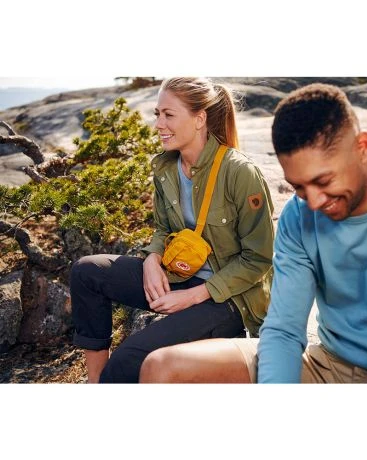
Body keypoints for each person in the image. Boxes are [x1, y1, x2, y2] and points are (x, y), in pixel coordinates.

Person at [139, 82, 367, 384]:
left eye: (324, 181)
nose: (315, 202)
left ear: (362, 147)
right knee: (162, 367)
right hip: (328, 365)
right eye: (300, 187)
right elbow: (284, 330)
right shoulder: (299, 214)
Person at [70, 77, 274, 383]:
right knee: (87, 272)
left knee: (128, 360)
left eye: (168, 115)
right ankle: (96, 382)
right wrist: (152, 259)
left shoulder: (240, 172)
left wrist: (193, 296)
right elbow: (164, 228)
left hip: (229, 300)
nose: (158, 124)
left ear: (199, 119)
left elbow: (259, 259)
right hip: (180, 276)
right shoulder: (166, 167)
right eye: (157, 114)